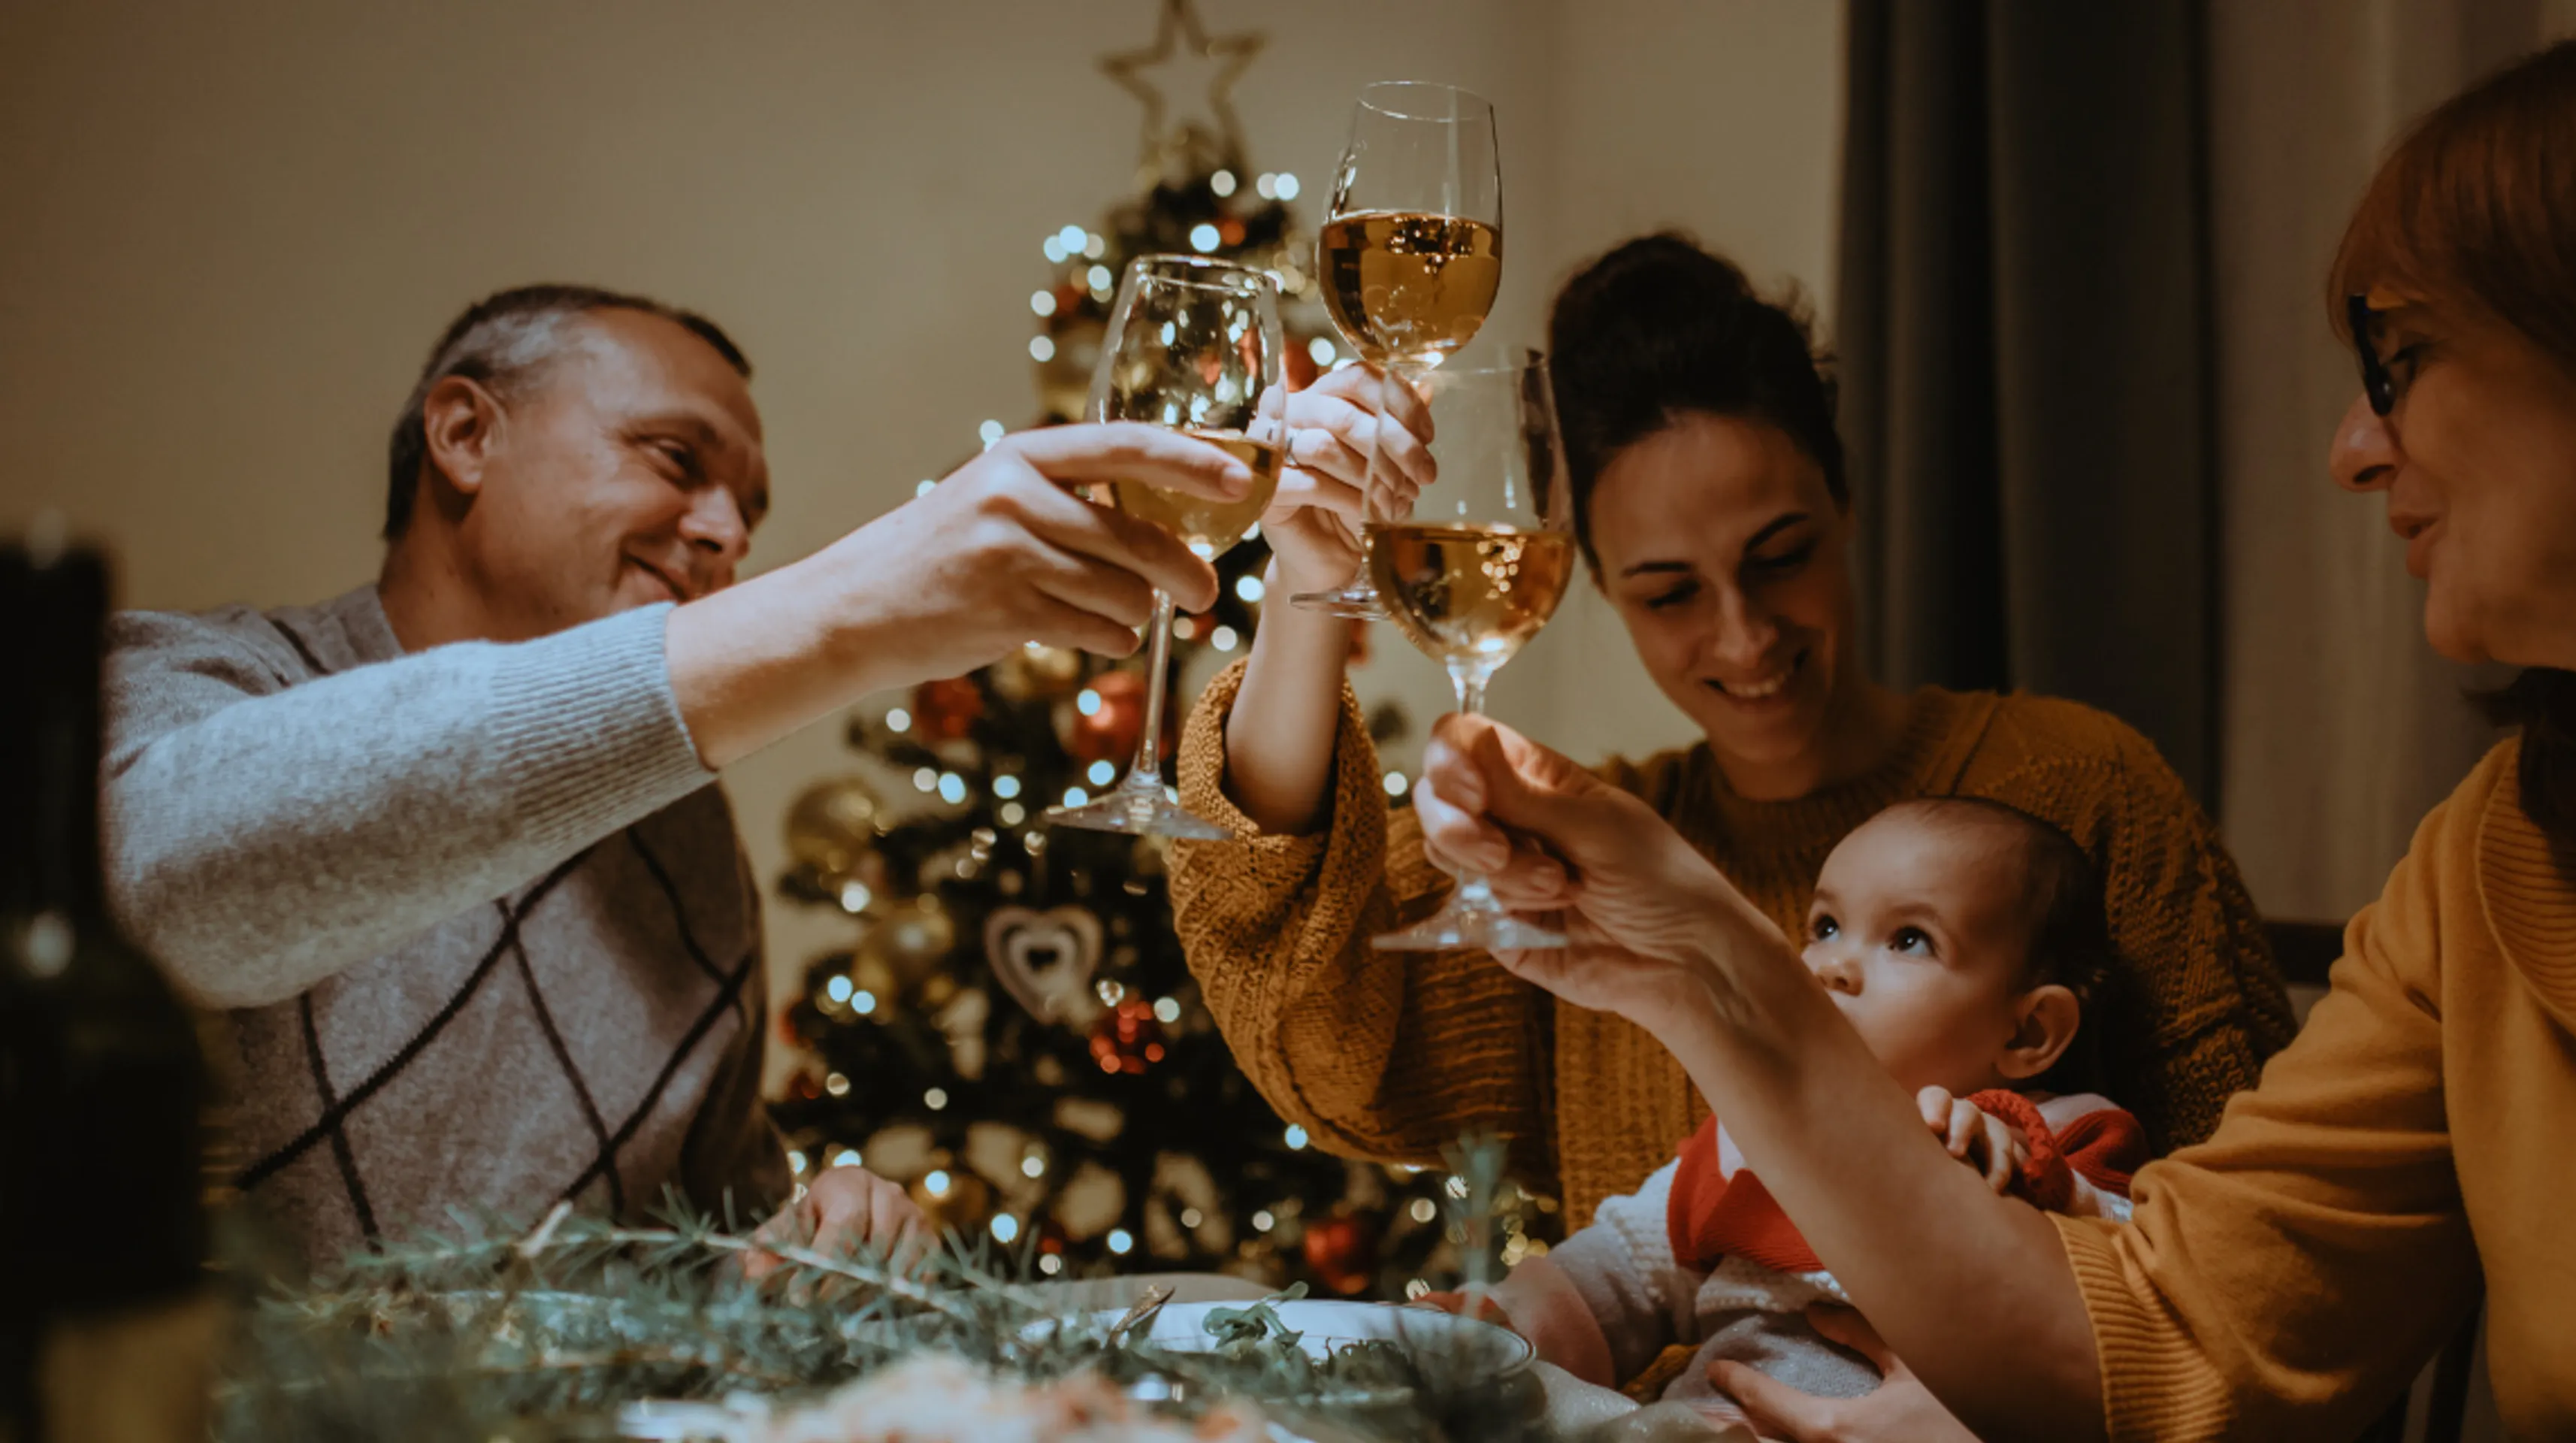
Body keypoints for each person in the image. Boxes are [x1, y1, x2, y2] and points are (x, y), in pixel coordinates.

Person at [1409, 13, 2576, 1440]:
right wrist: (1702, 971)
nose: (2353, 449)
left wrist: (1723, 972)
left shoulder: (2095, 807)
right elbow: (2188, 1341)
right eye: (1667, 590)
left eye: (2406, 361)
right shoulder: (2507, 863)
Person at [100, 283, 1378, 1268]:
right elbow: (165, 890)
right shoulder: (179, 680)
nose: (724, 534)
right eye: (675, 459)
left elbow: (691, 1264)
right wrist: (849, 611)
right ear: (464, 433)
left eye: (749, 514)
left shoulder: (681, 848)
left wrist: (812, 1241)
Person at [1165, 237, 2293, 1254]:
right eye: (1670, 594)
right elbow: (1309, 1011)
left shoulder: (2083, 788)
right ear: (1595, 585)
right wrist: (1308, 583)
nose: (1746, 637)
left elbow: (2255, 1244)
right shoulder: (1583, 868)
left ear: (1846, 503)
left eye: (1781, 555)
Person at [1449, 798, 2145, 1435]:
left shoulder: (2059, 1134)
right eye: (1826, 927)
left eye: (1909, 939)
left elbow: (2135, 1298)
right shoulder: (1750, 1132)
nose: (1832, 966)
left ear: (2028, 1032)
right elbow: (1616, 1274)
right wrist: (1491, 1329)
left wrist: (2023, 1180)